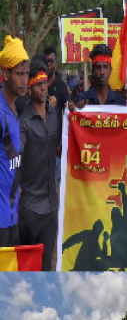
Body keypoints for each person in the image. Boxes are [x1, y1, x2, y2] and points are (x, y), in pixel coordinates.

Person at [17, 57, 60, 270]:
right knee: (27, 269)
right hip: (30, 210)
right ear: (30, 87)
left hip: (52, 208)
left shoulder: (54, 115)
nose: (43, 88)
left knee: (46, 268)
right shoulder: (23, 122)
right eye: (38, 84)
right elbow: (17, 159)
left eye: (45, 83)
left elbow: (59, 148)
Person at [0, 36, 29, 248]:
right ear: (5, 74)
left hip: (12, 215)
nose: (25, 80)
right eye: (19, 74)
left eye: (26, 74)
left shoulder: (14, 109)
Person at [41, 46, 70, 117]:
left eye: (51, 61)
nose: (48, 64)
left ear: (56, 64)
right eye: (46, 61)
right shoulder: (38, 85)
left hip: (57, 127)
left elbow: (67, 110)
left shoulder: (61, 86)